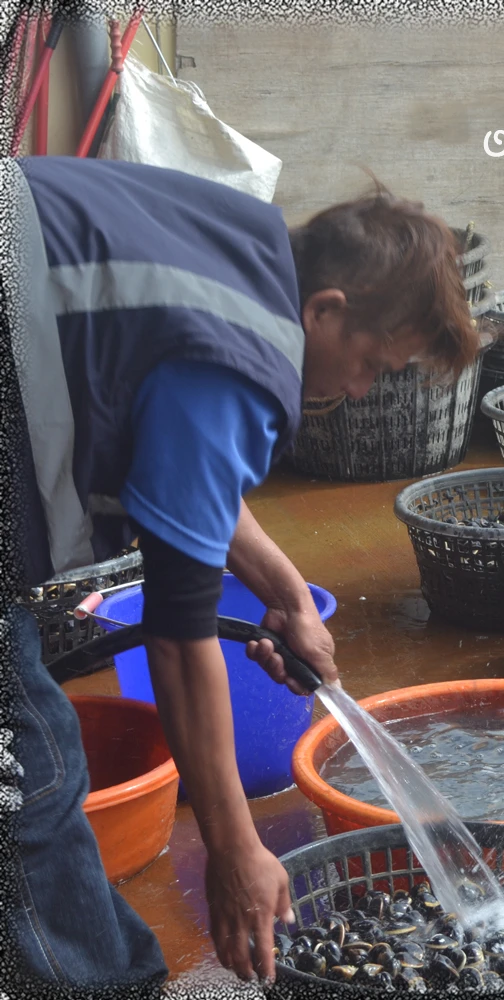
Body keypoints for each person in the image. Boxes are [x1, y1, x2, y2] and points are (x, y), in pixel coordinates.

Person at [2, 155, 479, 987]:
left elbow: (190, 472)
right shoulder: (239, 355)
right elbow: (180, 636)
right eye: (375, 365)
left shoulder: (243, 245)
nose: (364, 392)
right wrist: (235, 850)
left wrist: (287, 594)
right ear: (325, 313)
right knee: (30, 787)